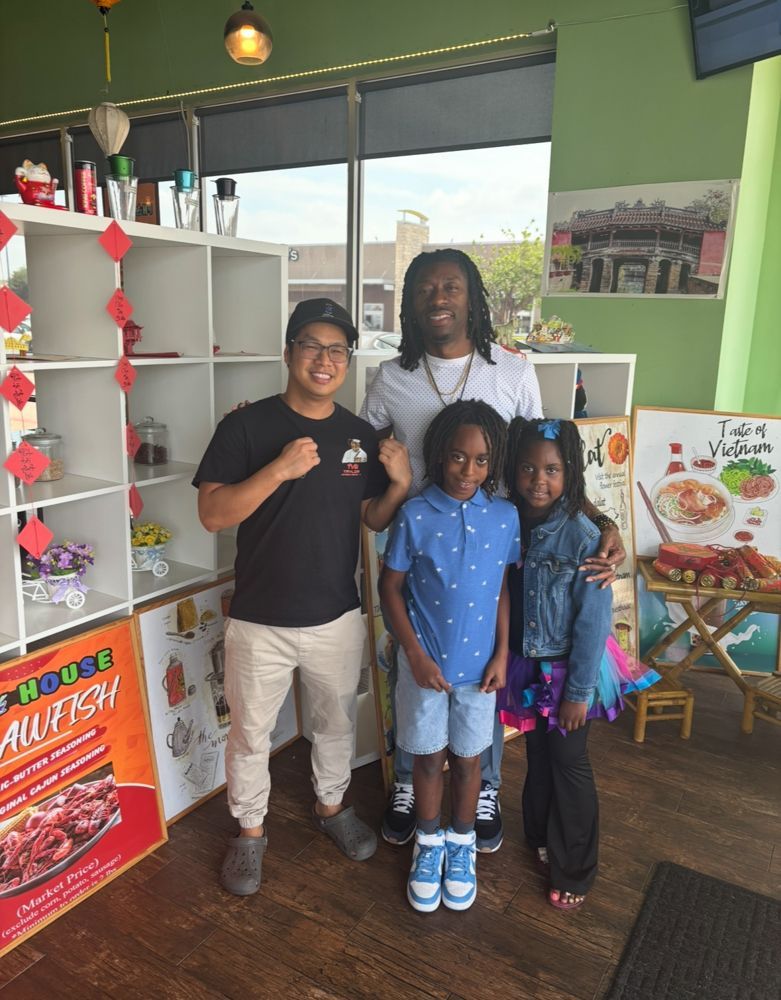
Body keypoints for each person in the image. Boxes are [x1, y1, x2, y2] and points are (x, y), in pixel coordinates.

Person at [359, 248, 625, 851]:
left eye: (451, 286)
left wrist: (601, 521)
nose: (439, 298)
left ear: (473, 297)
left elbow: (544, 463)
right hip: (419, 550)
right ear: (409, 304)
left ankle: (483, 791)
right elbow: (364, 456)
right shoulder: (392, 378)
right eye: (425, 289)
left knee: (488, 678)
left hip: (495, 549)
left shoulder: (510, 369)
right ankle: (409, 778)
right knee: (414, 670)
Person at [193, 297, 412, 896]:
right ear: (290, 353)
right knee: (249, 733)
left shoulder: (358, 435)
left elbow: (370, 517)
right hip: (259, 618)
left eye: (337, 350)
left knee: (335, 724)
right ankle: (250, 831)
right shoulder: (246, 427)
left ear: (347, 361)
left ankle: (332, 807)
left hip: (336, 615)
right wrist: (278, 471)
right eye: (312, 346)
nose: (325, 359)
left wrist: (398, 487)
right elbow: (212, 514)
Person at [497, 417, 659, 909]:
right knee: (540, 756)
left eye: (551, 470)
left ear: (570, 474)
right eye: (527, 468)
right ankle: (541, 835)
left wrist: (578, 693)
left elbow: (592, 623)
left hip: (570, 669)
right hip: (526, 660)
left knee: (569, 761)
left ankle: (576, 868)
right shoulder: (506, 519)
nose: (537, 481)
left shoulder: (584, 535)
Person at [379, 400, 519, 912]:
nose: (469, 470)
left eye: (481, 461)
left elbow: (503, 587)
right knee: (427, 762)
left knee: (469, 764)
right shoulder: (415, 515)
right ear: (439, 456)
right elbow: (389, 587)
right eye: (459, 458)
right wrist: (413, 655)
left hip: (480, 675)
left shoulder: (504, 517)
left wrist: (503, 653)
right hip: (425, 671)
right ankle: (429, 842)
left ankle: (462, 846)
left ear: (493, 463)